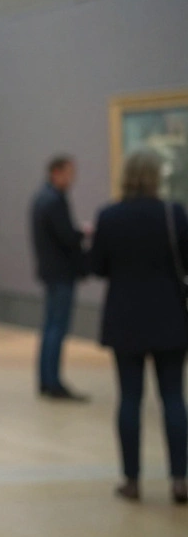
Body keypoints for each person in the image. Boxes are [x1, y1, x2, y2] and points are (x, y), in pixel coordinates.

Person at [89, 150, 188, 505]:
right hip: (172, 319)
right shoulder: (173, 214)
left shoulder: (109, 216)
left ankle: (131, 481)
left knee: (130, 399)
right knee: (173, 398)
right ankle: (180, 480)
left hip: (125, 320)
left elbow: (97, 267)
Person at [29, 155, 90, 401]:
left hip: (51, 271)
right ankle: (53, 383)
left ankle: (46, 380)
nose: (72, 178)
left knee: (50, 328)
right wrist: (82, 232)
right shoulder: (54, 200)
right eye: (68, 173)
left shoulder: (41, 198)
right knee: (57, 328)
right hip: (61, 273)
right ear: (56, 173)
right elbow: (66, 237)